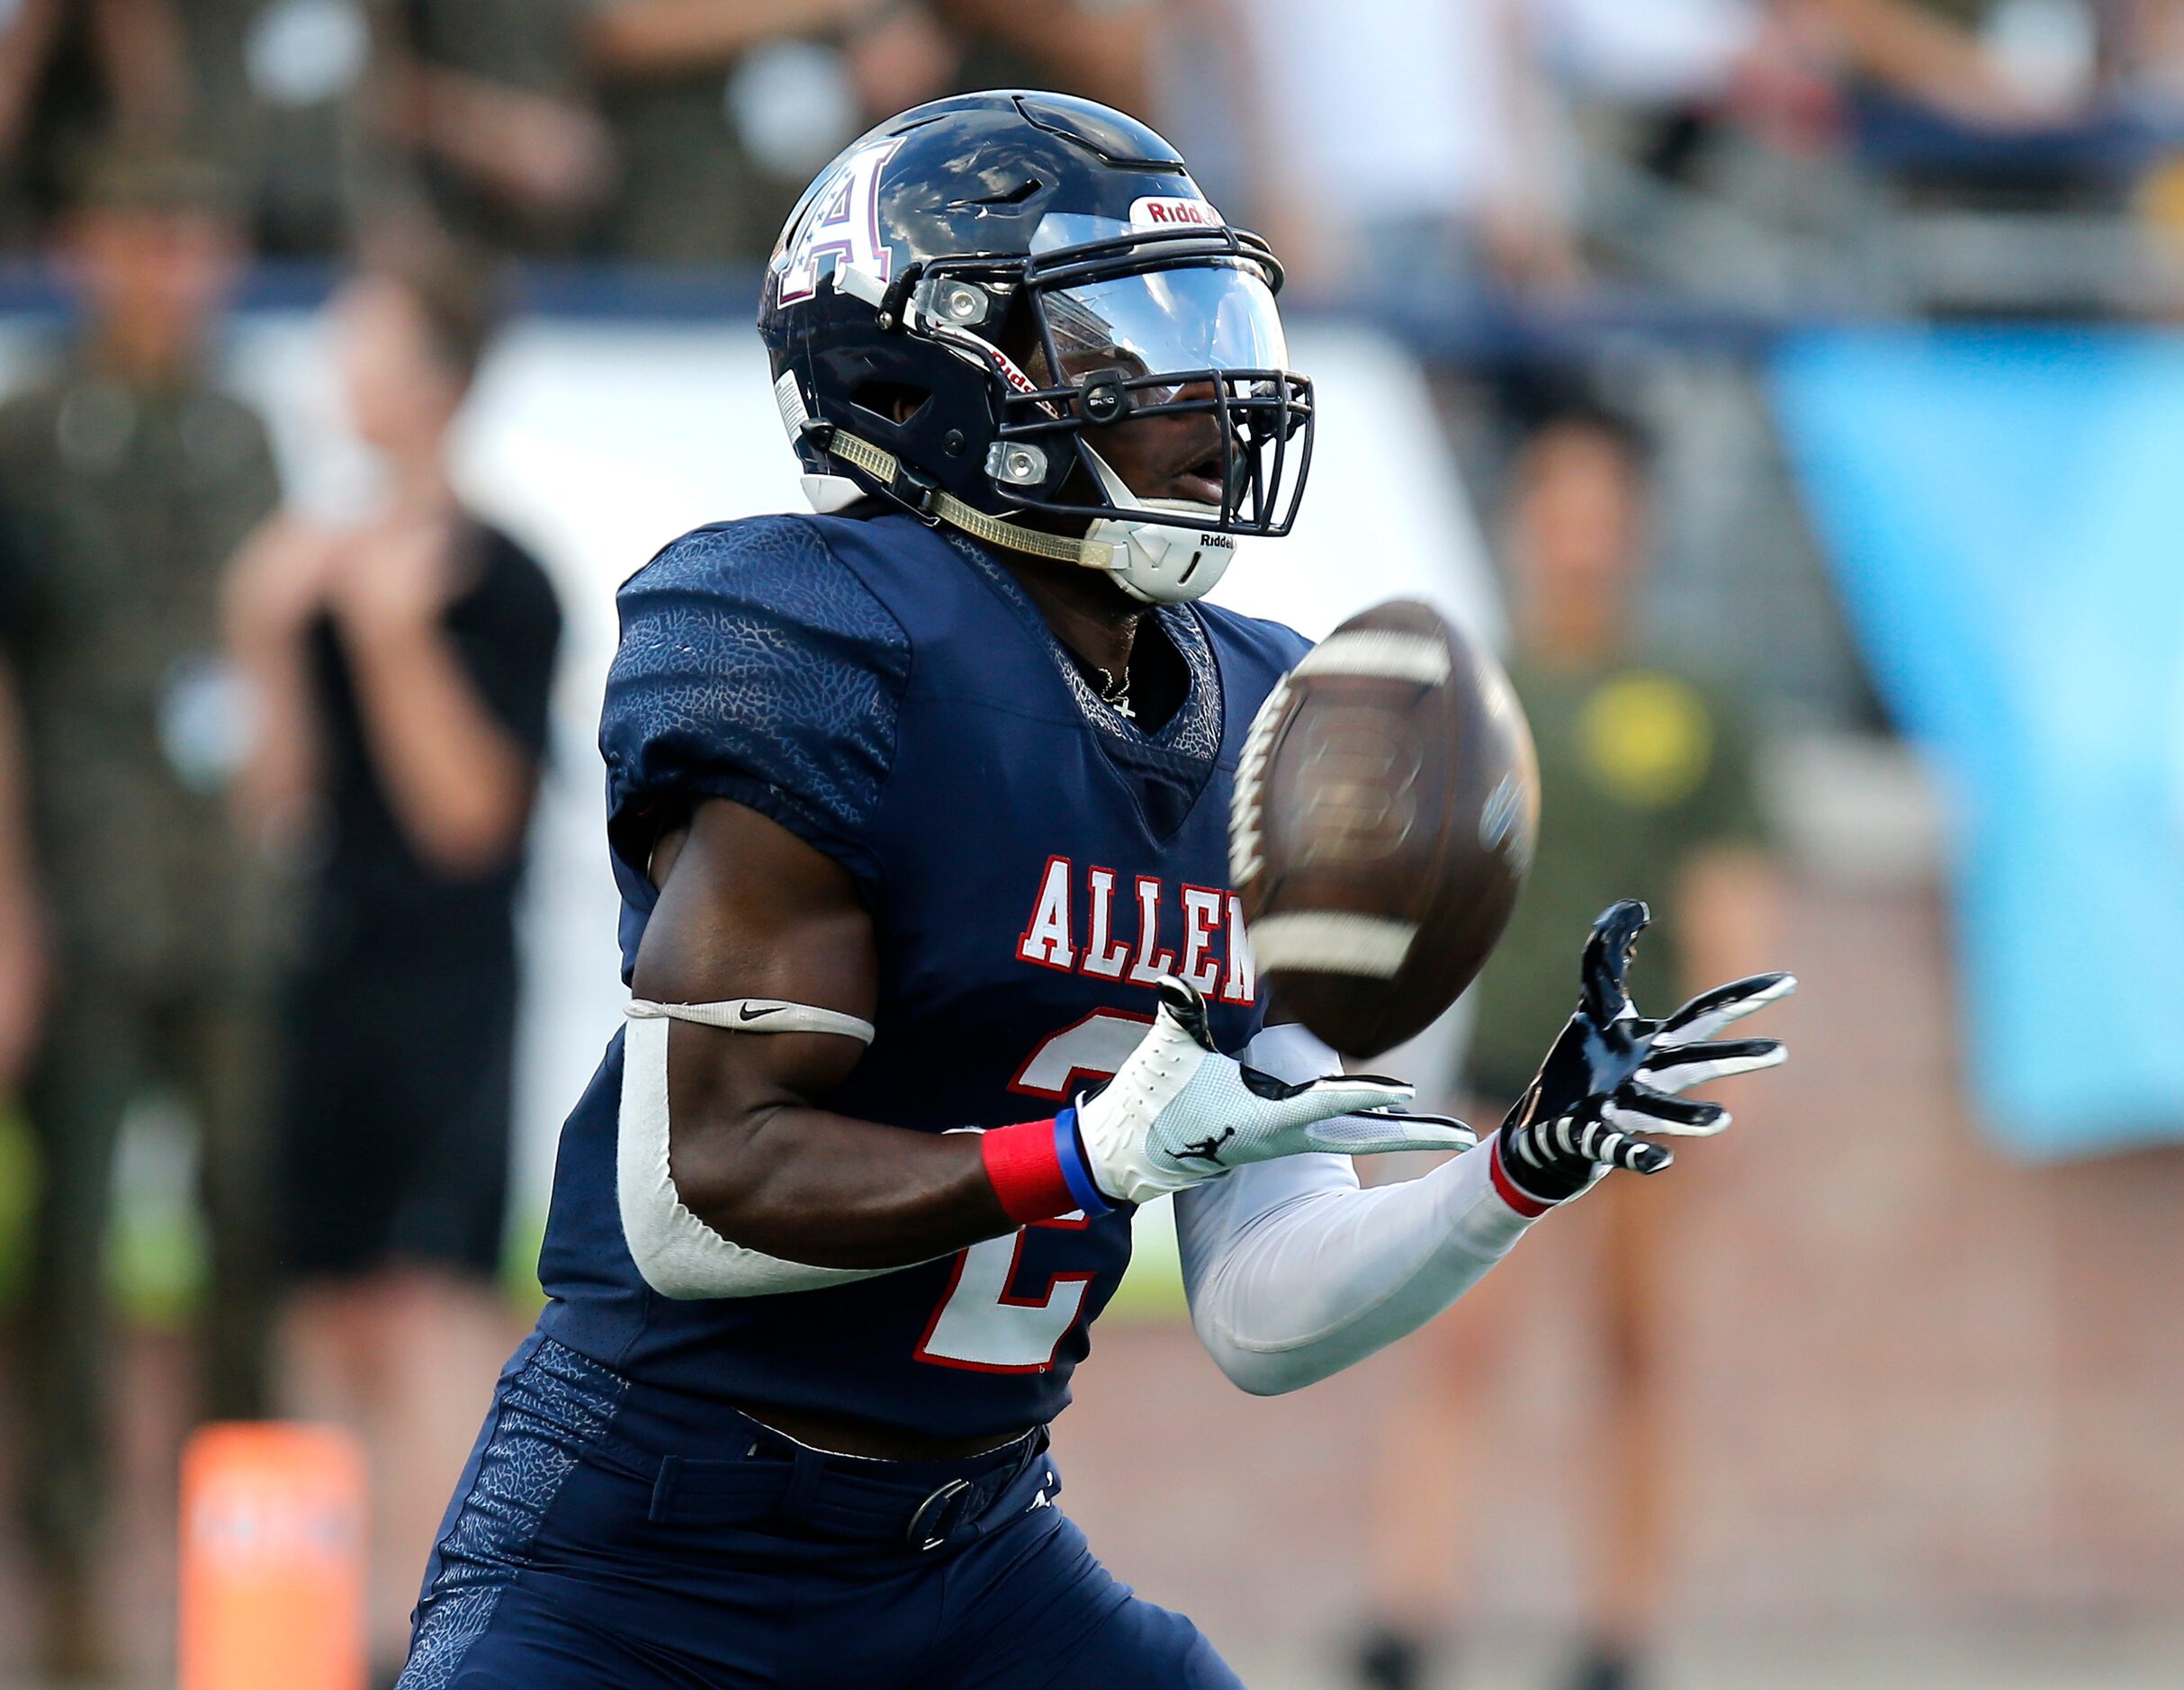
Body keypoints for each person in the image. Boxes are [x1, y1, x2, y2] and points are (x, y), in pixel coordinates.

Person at [395, 93, 1794, 1688]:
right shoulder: (832, 642)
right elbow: (695, 1191)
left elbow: (1260, 1308)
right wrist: (1078, 1154)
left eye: (1210, 320)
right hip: (653, 1546)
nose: (1208, 394)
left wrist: (1516, 1169)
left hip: (972, 1549)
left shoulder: (1266, 717)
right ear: (927, 373)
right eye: (1127, 340)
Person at [1353, 395, 1785, 1690]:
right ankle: (1413, 1604)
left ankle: (1618, 1620)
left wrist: (1734, 1067)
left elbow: (1727, 888)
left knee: (1632, 1347)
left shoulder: (1691, 701)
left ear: (1636, 528)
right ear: (1523, 520)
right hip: (1500, 1074)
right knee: (1459, 1336)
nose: (1583, 536)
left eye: (1605, 511)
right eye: (1561, 507)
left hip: (1640, 1088)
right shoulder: (1475, 692)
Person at [223, 237, 563, 1678]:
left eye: (368, 343)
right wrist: (261, 631)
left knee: (422, 1299)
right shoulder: (301, 565)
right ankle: (307, 1634)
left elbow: (469, 815)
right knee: (317, 1294)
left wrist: (388, 638)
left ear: (436, 379)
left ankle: (437, 1639)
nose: (340, 372)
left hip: (448, 985)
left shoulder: (500, 579)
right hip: (325, 968)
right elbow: (275, 801)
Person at [0, 146, 282, 1678]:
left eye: (199, 238)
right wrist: (14, 912)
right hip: (86, 884)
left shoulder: (246, 427)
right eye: (147, 236)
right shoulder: (31, 434)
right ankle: (60, 1528)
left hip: (226, 893)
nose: (176, 270)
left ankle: (238, 1509)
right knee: (78, 1227)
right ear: (87, 246)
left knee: (247, 1206)